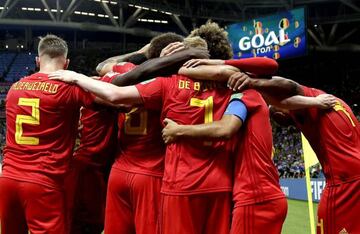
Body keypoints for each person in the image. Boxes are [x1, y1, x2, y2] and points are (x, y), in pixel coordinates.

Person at [224, 73, 360, 234]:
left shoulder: (312, 102)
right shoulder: (334, 102)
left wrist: (253, 82)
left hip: (345, 183)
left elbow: (288, 86)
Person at [0, 34, 95, 234]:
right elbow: (112, 99)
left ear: (37, 60)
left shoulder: (14, 89)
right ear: (66, 63)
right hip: (43, 182)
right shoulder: (69, 88)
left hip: (8, 178)